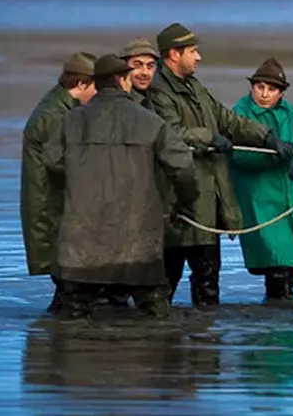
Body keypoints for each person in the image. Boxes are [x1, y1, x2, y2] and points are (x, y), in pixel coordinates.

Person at [147, 22, 293, 307]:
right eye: (192, 51)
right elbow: (170, 131)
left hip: (207, 201)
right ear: (173, 54)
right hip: (177, 201)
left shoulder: (195, 87)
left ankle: (205, 344)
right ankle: (157, 343)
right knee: (165, 280)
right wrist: (210, 138)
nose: (198, 57)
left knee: (208, 280)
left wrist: (267, 138)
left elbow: (229, 119)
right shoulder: (158, 92)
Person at [43, 54, 198, 319]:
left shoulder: (71, 121)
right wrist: (186, 201)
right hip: (138, 243)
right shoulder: (150, 121)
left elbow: (51, 160)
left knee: (72, 320)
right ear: (123, 80)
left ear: (98, 84)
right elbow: (182, 167)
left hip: (83, 244)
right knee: (156, 316)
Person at [20, 52, 96, 313]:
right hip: (52, 211)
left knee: (69, 289)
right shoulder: (55, 116)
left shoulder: (58, 106)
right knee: (70, 287)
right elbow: (63, 164)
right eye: (96, 87)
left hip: (52, 208)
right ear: (82, 85)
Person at [229, 57, 293, 301]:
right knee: (276, 258)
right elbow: (237, 155)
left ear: (281, 93)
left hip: (289, 196)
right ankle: (278, 311)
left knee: (292, 263)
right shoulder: (240, 113)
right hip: (259, 197)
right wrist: (273, 157)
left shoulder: (289, 112)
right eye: (259, 87)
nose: (264, 94)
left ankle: (279, 310)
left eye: (271, 89)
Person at [120, 37, 160, 108]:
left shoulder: (157, 97)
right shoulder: (114, 100)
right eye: (137, 65)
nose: (145, 72)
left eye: (150, 66)